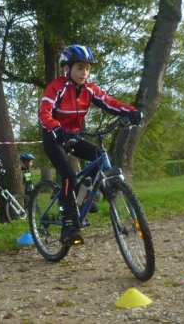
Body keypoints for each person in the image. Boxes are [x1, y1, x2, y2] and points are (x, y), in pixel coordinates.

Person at [38, 44, 143, 245]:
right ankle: (68, 225)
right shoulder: (57, 87)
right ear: (66, 68)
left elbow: (110, 102)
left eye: (87, 68)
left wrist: (131, 111)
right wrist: (55, 127)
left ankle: (82, 196)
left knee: (99, 156)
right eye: (79, 67)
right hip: (54, 137)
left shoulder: (89, 89)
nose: (84, 72)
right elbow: (44, 112)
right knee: (68, 174)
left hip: (73, 136)